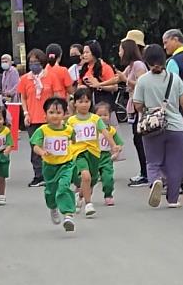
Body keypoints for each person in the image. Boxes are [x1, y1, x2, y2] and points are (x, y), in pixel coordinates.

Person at [134, 44, 183, 209]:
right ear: (163, 60)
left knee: (153, 161)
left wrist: (148, 108)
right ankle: (173, 200)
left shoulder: (143, 80)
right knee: (175, 164)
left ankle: (156, 181)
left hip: (152, 126)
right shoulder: (175, 78)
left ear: (146, 61)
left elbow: (137, 104)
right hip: (176, 126)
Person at [98, 37, 148, 187]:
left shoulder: (138, 65)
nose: (119, 53)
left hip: (140, 107)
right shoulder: (131, 66)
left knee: (140, 140)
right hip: (134, 108)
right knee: (137, 140)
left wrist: (125, 79)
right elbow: (116, 79)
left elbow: (141, 84)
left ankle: (146, 174)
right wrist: (99, 84)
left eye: (120, 49)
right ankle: (143, 172)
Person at [68, 88, 119, 217]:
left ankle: (79, 195)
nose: (84, 104)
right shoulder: (71, 121)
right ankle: (89, 204)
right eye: (81, 101)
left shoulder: (95, 119)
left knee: (92, 180)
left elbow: (105, 132)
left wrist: (113, 145)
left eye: (87, 101)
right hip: (79, 152)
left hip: (94, 153)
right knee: (85, 176)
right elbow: (67, 136)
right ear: (75, 104)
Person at [18, 49, 65, 187]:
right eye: (31, 62)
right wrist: (25, 113)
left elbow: (57, 95)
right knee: (35, 147)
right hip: (33, 118)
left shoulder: (51, 76)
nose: (33, 65)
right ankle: (38, 175)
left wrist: (58, 114)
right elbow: (23, 97)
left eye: (36, 62)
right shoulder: (25, 79)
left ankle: (53, 172)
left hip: (49, 118)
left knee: (50, 146)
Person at [30, 97, 77, 232]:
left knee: (64, 187)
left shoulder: (68, 130)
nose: (55, 116)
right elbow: (35, 146)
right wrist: (42, 151)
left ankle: (68, 215)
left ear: (64, 114)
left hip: (66, 164)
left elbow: (74, 141)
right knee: (51, 192)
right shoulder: (43, 130)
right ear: (45, 115)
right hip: (49, 166)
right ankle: (52, 207)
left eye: (58, 112)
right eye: (51, 112)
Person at [162, 28, 183, 194]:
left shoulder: (173, 61)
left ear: (176, 40)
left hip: (178, 109)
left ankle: (173, 181)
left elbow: (173, 87)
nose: (165, 46)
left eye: (166, 42)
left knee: (173, 145)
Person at [92, 102, 124, 206]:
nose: (102, 118)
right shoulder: (92, 130)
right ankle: (86, 192)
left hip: (106, 157)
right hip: (94, 156)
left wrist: (117, 150)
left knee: (108, 178)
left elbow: (119, 144)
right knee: (92, 178)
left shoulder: (112, 131)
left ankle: (108, 195)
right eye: (99, 115)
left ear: (110, 116)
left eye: (105, 115)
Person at [77, 40, 118, 111]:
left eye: (87, 52)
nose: (85, 55)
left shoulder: (104, 67)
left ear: (94, 52)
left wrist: (100, 85)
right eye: (84, 53)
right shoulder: (84, 68)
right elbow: (79, 85)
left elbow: (114, 87)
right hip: (88, 105)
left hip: (103, 105)